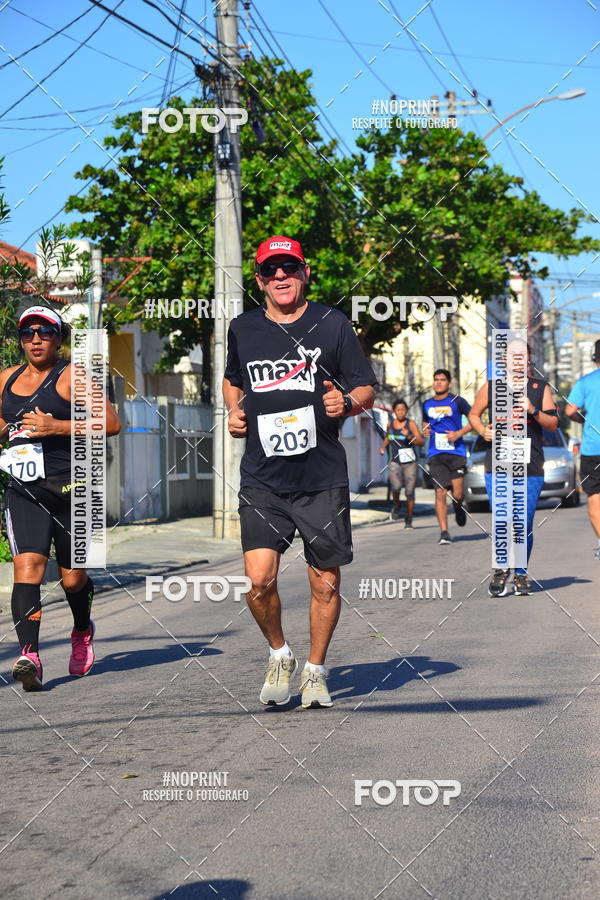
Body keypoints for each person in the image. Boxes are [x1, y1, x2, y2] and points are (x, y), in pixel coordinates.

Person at [223, 236, 376, 709]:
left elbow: (366, 387)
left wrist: (346, 403)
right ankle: (278, 653)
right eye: (271, 271)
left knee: (324, 580)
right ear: (260, 280)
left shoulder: (332, 324)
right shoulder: (243, 328)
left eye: (289, 268)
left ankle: (315, 670)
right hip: (263, 476)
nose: (281, 277)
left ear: (305, 272)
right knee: (259, 579)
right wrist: (233, 411)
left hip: (321, 476)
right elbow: (233, 380)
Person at [0, 305, 121, 691]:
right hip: (24, 489)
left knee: (73, 581)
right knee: (28, 567)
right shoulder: (4, 378)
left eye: (45, 332)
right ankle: (29, 657)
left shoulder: (73, 376)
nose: (35, 339)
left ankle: (82, 629)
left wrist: (56, 426)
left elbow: (113, 423)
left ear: (58, 337)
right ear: (20, 340)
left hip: (74, 490)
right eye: (27, 333)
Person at [469, 339, 558, 596]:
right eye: (512, 355)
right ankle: (500, 569)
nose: (517, 359)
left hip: (529, 467)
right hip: (496, 465)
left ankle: (520, 573)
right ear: (504, 360)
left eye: (522, 354)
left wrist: (533, 410)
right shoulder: (491, 387)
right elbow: (474, 414)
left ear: (528, 359)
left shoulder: (540, 388)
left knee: (522, 521)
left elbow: (553, 423)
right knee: (501, 519)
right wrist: (481, 429)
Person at [421, 370, 472, 544]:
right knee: (440, 492)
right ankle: (444, 532)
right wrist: (425, 428)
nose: (439, 383)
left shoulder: (457, 401)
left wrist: (458, 433)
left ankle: (458, 506)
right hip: (436, 453)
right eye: (436, 380)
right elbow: (425, 422)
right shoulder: (426, 403)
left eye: (442, 380)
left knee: (457, 494)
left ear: (449, 383)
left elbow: (474, 419)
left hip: (456, 452)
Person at [565, 338, 600, 559]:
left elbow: (569, 411)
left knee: (595, 497)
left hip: (593, 449)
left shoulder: (585, 382)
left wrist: (585, 420)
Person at [379, 398, 423, 527]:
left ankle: (409, 519)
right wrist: (382, 447)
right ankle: (396, 506)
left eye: (403, 410)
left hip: (410, 462)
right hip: (394, 461)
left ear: (407, 411)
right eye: (398, 410)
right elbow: (388, 438)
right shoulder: (390, 425)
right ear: (394, 411)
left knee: (409, 492)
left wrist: (410, 436)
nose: (401, 412)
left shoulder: (411, 424)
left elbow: (421, 442)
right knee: (396, 487)